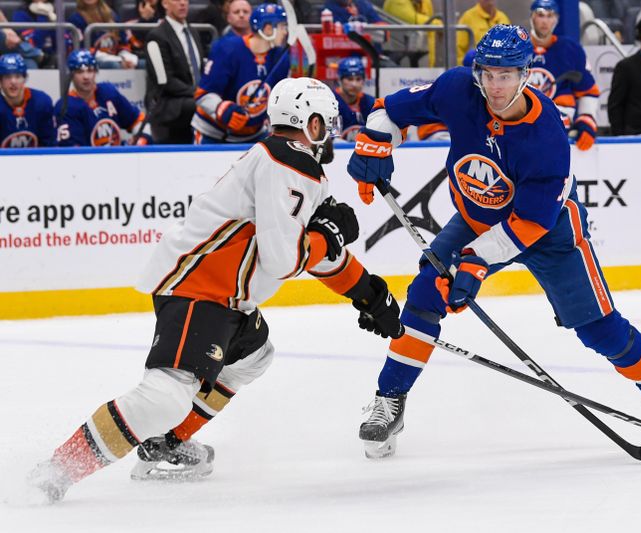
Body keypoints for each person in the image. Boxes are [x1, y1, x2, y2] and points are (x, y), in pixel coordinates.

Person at [27, 77, 404, 503]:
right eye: (326, 123)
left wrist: (368, 293)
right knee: (164, 396)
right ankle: (57, 470)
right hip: (199, 288)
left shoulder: (289, 164)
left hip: (224, 296)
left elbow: (311, 252)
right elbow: (287, 257)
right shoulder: (288, 163)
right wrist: (328, 235)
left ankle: (166, 444)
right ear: (311, 123)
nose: (331, 132)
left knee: (253, 356)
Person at [347, 24, 641, 459]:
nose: (495, 86)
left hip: (549, 230)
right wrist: (376, 142)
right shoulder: (459, 88)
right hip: (477, 219)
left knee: (598, 329)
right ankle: (390, 401)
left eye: (507, 75)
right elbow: (387, 110)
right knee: (423, 296)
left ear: (526, 74)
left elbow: (529, 224)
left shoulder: (546, 134)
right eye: (489, 73)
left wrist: (472, 263)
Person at [192, 2, 290, 144]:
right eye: (282, 26)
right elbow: (202, 94)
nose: (285, 32)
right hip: (214, 134)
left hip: (254, 135)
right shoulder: (227, 49)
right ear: (268, 29)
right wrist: (221, 109)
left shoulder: (280, 57)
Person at [527, 0, 599, 151]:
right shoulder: (518, 48)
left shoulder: (571, 50)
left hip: (562, 128)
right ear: (532, 17)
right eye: (540, 15)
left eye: (550, 15)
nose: (545, 21)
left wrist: (586, 118)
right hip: (523, 127)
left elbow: (588, 91)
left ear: (556, 20)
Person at [55, 50, 151, 146]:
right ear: (71, 76)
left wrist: (141, 139)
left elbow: (137, 120)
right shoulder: (65, 107)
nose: (86, 76)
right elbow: (75, 153)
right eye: (80, 72)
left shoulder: (108, 93)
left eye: (90, 70)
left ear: (96, 72)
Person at [145, 0, 204, 144]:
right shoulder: (156, 36)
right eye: (177, 0)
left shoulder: (193, 32)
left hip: (192, 96)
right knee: (200, 105)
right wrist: (198, 93)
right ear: (165, 4)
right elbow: (165, 81)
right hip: (168, 103)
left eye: (185, 0)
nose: (182, 3)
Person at [0, 53, 55, 147]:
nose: (13, 82)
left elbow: (50, 145)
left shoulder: (42, 102)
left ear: (24, 78)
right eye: (7, 77)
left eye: (18, 76)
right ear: (0, 81)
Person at [69, 0, 139, 69]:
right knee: (113, 65)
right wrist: (119, 60)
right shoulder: (75, 19)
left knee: (141, 64)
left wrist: (126, 57)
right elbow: (81, 50)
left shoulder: (113, 16)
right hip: (91, 59)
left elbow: (123, 43)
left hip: (115, 57)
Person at [456, 0, 510, 66]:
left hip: (500, 68)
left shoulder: (503, 17)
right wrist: (466, 68)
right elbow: (458, 49)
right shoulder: (468, 17)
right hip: (477, 68)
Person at [334, 56, 374, 141]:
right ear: (339, 79)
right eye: (349, 79)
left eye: (358, 79)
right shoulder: (330, 101)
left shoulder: (370, 103)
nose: (354, 84)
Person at [125, 0, 161, 64]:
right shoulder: (128, 14)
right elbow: (134, 44)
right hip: (138, 56)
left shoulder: (168, 14)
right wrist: (144, 19)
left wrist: (152, 19)